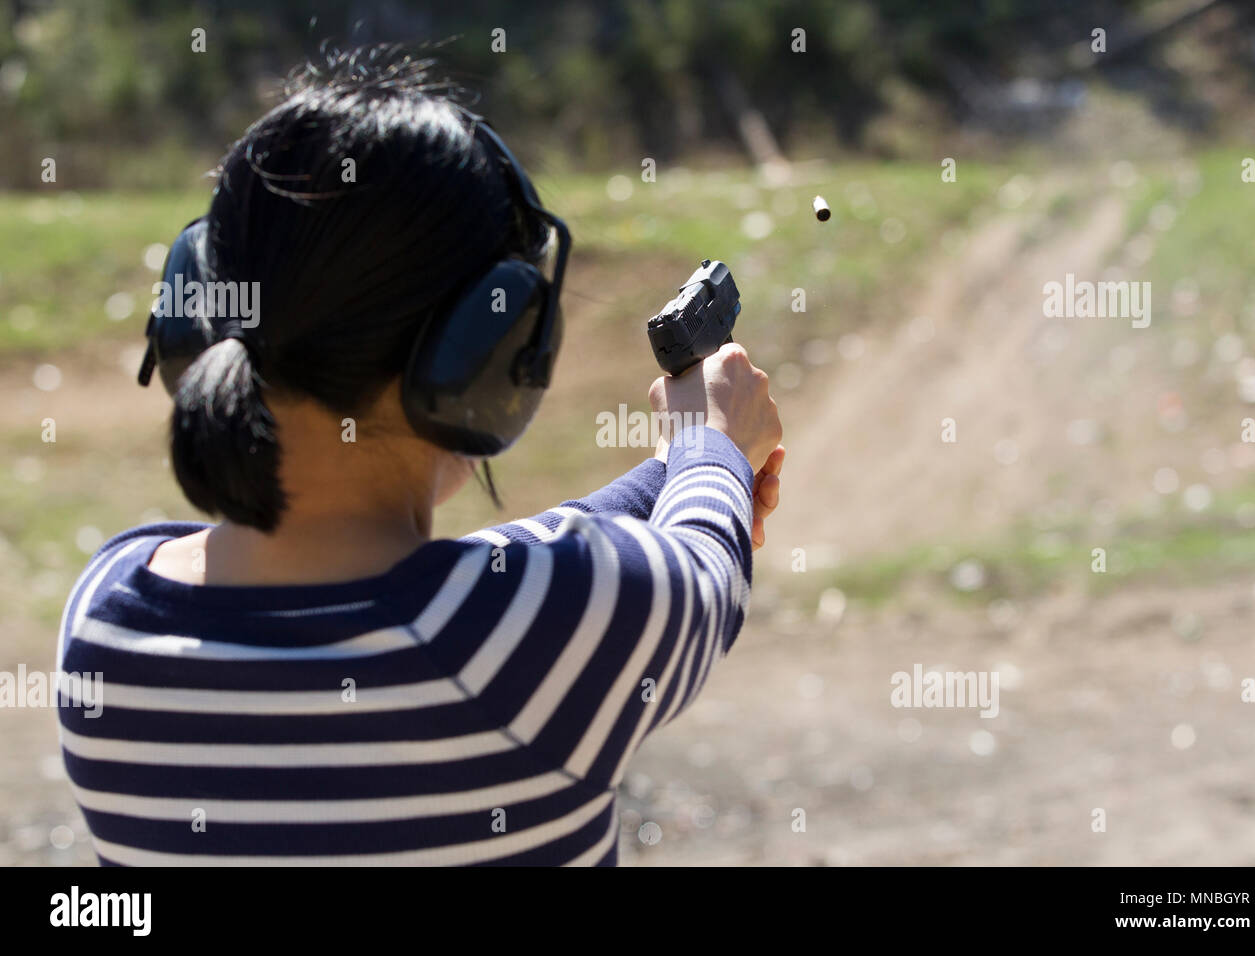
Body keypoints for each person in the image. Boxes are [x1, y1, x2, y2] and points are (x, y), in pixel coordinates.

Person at [56, 45, 784, 866]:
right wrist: (714, 446)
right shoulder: (541, 637)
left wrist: (673, 468)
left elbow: (484, 580)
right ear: (483, 354)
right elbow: (696, 575)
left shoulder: (107, 621)